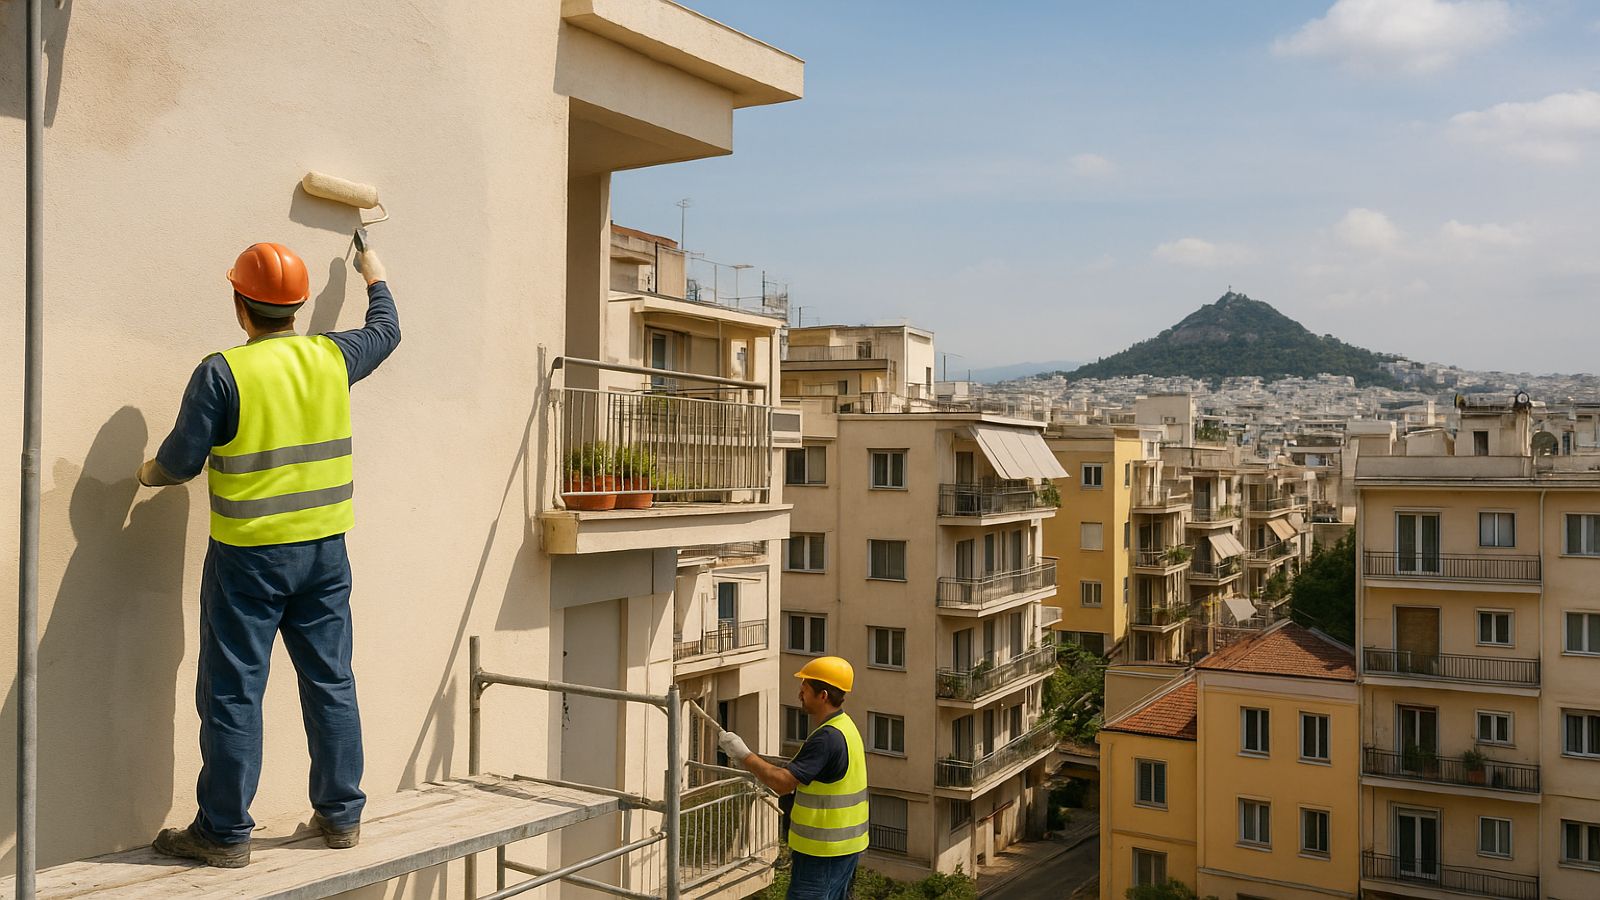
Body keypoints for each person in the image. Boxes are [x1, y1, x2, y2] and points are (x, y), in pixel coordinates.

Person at [141, 240, 400, 867]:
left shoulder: (222, 373)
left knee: (233, 691)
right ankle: (341, 817)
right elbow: (386, 332)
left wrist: (147, 474)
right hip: (324, 554)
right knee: (330, 680)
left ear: (240, 306)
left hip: (249, 562)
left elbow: (179, 463)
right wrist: (375, 275)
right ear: (300, 304)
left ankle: (224, 833)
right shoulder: (332, 357)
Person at [719, 657, 867, 900]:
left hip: (822, 852)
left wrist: (743, 755)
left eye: (805, 688)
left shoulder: (826, 738)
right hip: (843, 849)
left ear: (823, 695)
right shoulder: (845, 726)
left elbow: (782, 782)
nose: (800, 693)